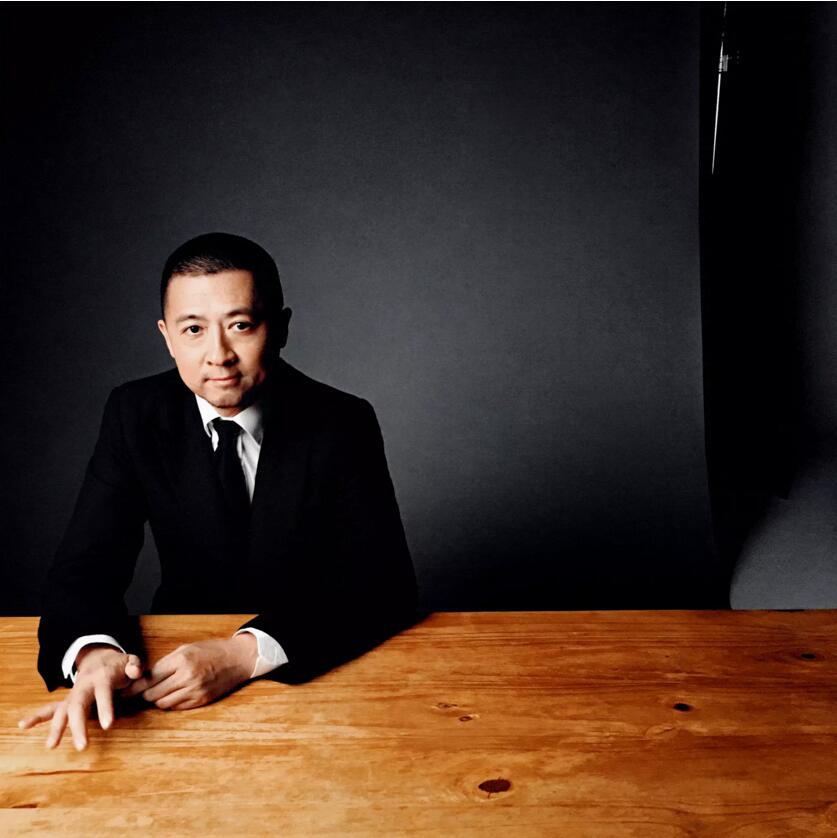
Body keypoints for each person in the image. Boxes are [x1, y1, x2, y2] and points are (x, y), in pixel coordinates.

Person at [19, 232, 418, 750]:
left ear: (279, 328)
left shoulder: (342, 421)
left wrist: (243, 654)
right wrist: (96, 655)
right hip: (170, 674)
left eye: (241, 326)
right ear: (167, 337)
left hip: (313, 670)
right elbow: (84, 568)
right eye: (193, 329)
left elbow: (384, 585)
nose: (219, 355)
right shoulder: (135, 414)